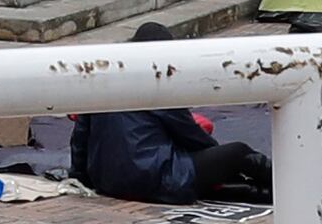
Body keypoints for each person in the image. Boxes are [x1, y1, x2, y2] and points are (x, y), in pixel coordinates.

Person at [72, 23, 274, 204]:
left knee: (206, 175)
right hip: (152, 176)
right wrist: (218, 158)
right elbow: (191, 136)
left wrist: (81, 177)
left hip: (108, 181)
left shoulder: (101, 82)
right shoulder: (155, 85)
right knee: (237, 153)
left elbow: (80, 139)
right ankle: (286, 182)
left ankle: (268, 192)